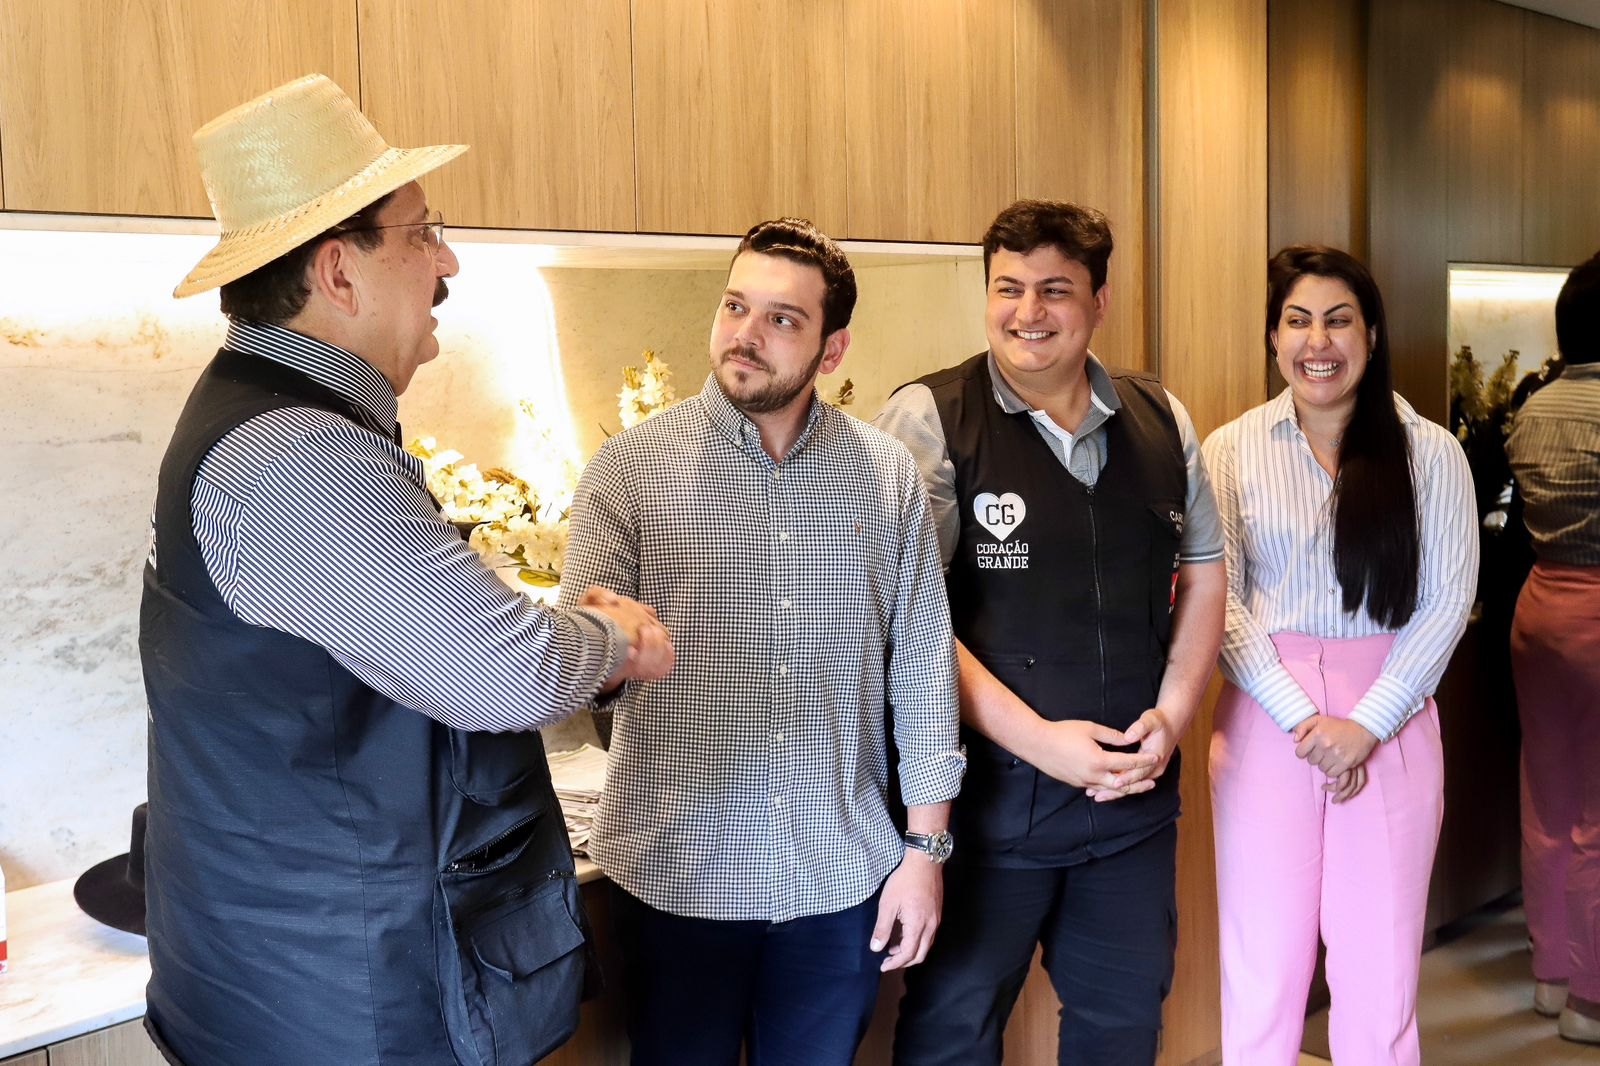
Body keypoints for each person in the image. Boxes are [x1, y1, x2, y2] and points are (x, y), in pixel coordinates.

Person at [142, 75, 672, 1066]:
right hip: (337, 1008)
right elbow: (504, 672)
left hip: (297, 980)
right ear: (338, 272)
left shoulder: (269, 422)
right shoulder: (295, 456)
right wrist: (617, 639)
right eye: (423, 232)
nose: (448, 261)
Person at [559, 217, 964, 1066]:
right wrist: (606, 651)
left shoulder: (887, 474)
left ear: (832, 348)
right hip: (676, 874)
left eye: (782, 318)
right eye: (735, 305)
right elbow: (569, 672)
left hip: (839, 876)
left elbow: (924, 672)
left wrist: (925, 851)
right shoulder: (628, 470)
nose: (745, 333)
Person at [874, 199, 1227, 1065]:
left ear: (1098, 301)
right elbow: (904, 620)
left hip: (1130, 811)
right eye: (1008, 288)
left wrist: (1174, 715)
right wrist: (1042, 743)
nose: (1027, 312)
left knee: (1122, 1031)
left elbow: (1204, 574)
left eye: (1055, 290)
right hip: (984, 814)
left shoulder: (1162, 418)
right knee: (951, 1036)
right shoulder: (929, 419)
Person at [1201, 246, 1477, 1065]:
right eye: (1297, 321)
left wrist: (1364, 726)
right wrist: (1305, 720)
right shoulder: (1230, 450)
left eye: (1338, 320)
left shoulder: (1431, 452)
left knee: (1380, 972)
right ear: (1273, 337)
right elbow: (1219, 602)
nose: (1316, 342)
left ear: (1372, 333)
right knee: (1264, 966)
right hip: (1267, 720)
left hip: (1390, 719)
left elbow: (1446, 603)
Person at [1506, 251, 1600, 1045]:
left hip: (1540, 605)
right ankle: (1592, 1001)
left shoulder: (1534, 406)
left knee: (1547, 797)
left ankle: (1550, 977)